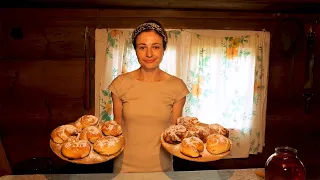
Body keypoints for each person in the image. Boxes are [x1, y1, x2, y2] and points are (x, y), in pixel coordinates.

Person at [108, 20, 189, 173]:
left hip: (162, 169)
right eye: (142, 47)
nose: (149, 54)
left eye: (156, 47)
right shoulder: (120, 84)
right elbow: (117, 127)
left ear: (164, 50)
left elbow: (173, 133)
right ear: (136, 50)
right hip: (124, 168)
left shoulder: (178, 87)